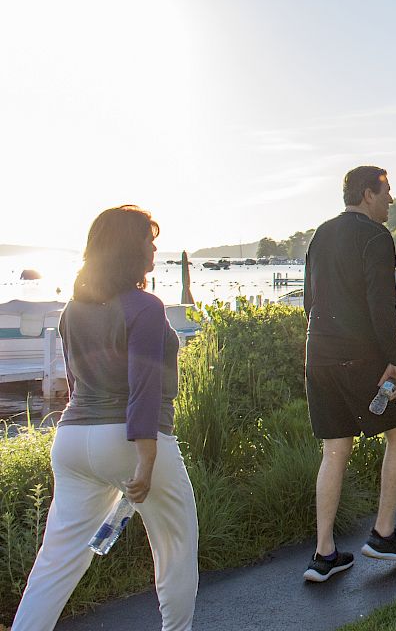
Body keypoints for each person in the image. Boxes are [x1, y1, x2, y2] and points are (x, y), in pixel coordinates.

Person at [12, 206, 199, 631]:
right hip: (131, 443)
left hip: (74, 440)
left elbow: (77, 384)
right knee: (175, 547)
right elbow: (144, 387)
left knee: (56, 561)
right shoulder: (146, 307)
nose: (155, 247)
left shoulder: (70, 312)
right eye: (149, 240)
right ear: (129, 248)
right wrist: (147, 460)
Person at [302, 166, 396, 583]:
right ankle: (383, 533)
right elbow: (380, 302)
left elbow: (308, 299)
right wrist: (395, 356)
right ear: (369, 194)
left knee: (334, 450)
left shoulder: (321, 234)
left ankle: (324, 553)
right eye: (387, 191)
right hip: (362, 355)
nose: (391, 199)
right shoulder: (375, 236)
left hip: (318, 353)